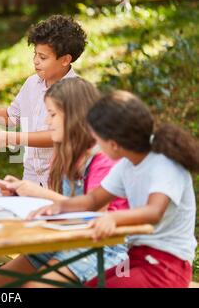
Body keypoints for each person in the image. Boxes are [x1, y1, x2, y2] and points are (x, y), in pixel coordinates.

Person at [33, 90, 198, 288]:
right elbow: (93, 200)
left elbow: (154, 212)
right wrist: (58, 208)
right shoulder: (127, 164)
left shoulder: (163, 162)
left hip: (167, 266)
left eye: (96, 139)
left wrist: (112, 218)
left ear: (113, 143)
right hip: (137, 257)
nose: (95, 145)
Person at [0, 78, 128, 288]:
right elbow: (62, 205)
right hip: (69, 234)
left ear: (73, 115)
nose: (48, 122)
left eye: (52, 115)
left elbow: (96, 212)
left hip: (104, 245)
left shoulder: (103, 157)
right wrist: (22, 194)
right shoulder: (65, 152)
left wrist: (38, 193)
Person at [0, 15, 87, 187]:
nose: (36, 61)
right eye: (35, 55)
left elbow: (58, 135)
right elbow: (9, 117)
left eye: (43, 57)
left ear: (65, 60)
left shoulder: (76, 90)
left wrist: (12, 138)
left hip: (62, 178)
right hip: (31, 175)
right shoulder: (32, 84)